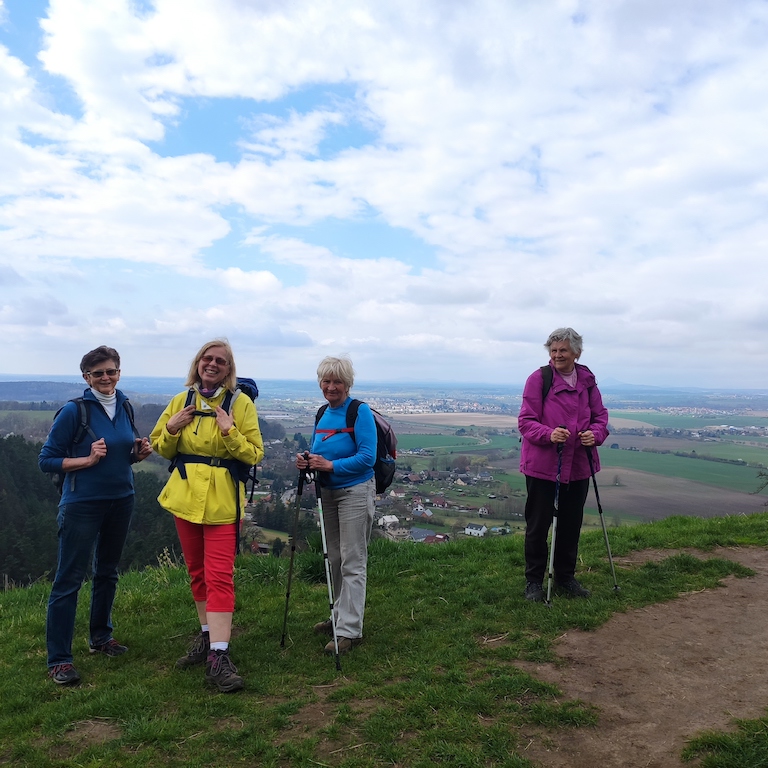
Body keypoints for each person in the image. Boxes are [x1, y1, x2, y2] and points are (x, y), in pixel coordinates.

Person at [150, 340, 263, 693]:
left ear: (229, 370)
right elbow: (159, 446)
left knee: (219, 577)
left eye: (220, 361)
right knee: (197, 573)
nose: (212, 364)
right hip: (185, 499)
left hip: (221, 503)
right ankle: (207, 638)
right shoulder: (181, 401)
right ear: (198, 363)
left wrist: (229, 431)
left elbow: (254, 454)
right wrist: (171, 429)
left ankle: (219, 655)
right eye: (207, 358)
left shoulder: (240, 404)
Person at [39, 345, 153, 685]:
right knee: (69, 579)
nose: (106, 377)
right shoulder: (75, 412)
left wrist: (139, 453)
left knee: (107, 572)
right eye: (98, 373)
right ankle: (59, 659)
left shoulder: (125, 405)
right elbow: (46, 460)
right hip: (82, 503)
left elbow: (122, 455)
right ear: (86, 377)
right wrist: (86, 461)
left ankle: (101, 637)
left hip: (122, 499)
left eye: (111, 371)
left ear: (119, 372)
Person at [518, 328, 609, 602]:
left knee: (571, 524)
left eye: (563, 350)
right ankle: (534, 581)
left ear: (576, 354)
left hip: (580, 463)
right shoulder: (539, 379)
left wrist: (596, 434)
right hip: (544, 465)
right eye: (554, 350)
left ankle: (565, 578)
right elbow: (526, 421)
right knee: (538, 525)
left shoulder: (588, 382)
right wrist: (548, 434)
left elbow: (600, 417)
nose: (557, 355)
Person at [296, 356, 377, 655]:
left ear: (347, 383)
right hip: (327, 493)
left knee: (352, 560)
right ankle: (338, 617)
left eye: (337, 381)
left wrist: (329, 465)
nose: (331, 387)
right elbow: (320, 452)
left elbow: (367, 457)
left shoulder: (359, 411)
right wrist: (307, 462)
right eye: (326, 381)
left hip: (355, 491)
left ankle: (350, 631)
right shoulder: (322, 413)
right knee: (333, 557)